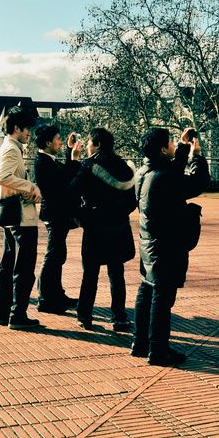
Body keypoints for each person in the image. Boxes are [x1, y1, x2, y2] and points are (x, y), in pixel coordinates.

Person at [133, 126, 209, 367]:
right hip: (165, 245)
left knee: (146, 291)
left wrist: (185, 146)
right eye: (172, 143)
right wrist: (197, 156)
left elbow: (171, 172)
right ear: (164, 149)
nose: (175, 145)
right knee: (162, 299)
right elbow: (196, 183)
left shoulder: (145, 171)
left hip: (149, 242)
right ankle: (158, 351)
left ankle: (141, 343)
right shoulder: (164, 176)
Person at [66, 127, 136, 332]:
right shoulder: (124, 166)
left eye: (89, 142)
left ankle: (85, 316)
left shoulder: (89, 166)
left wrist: (82, 218)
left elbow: (70, 195)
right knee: (117, 274)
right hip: (119, 227)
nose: (87, 145)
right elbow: (132, 201)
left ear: (96, 144)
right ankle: (119, 318)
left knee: (90, 275)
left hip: (95, 226)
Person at [0, 106, 42, 330]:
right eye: (27, 130)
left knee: (8, 264)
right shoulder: (12, 149)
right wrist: (30, 187)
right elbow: (3, 177)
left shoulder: (9, 147)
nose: (29, 134)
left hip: (11, 213)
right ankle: (18, 314)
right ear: (17, 128)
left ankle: (2, 312)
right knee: (24, 267)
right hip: (22, 217)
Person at [33, 125, 81, 314]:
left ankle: (56, 294)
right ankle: (45, 298)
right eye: (58, 139)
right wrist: (74, 158)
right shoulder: (42, 162)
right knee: (53, 256)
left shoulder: (47, 160)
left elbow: (63, 172)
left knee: (57, 255)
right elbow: (65, 178)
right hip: (54, 214)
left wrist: (70, 151)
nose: (60, 142)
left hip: (56, 213)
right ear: (48, 142)